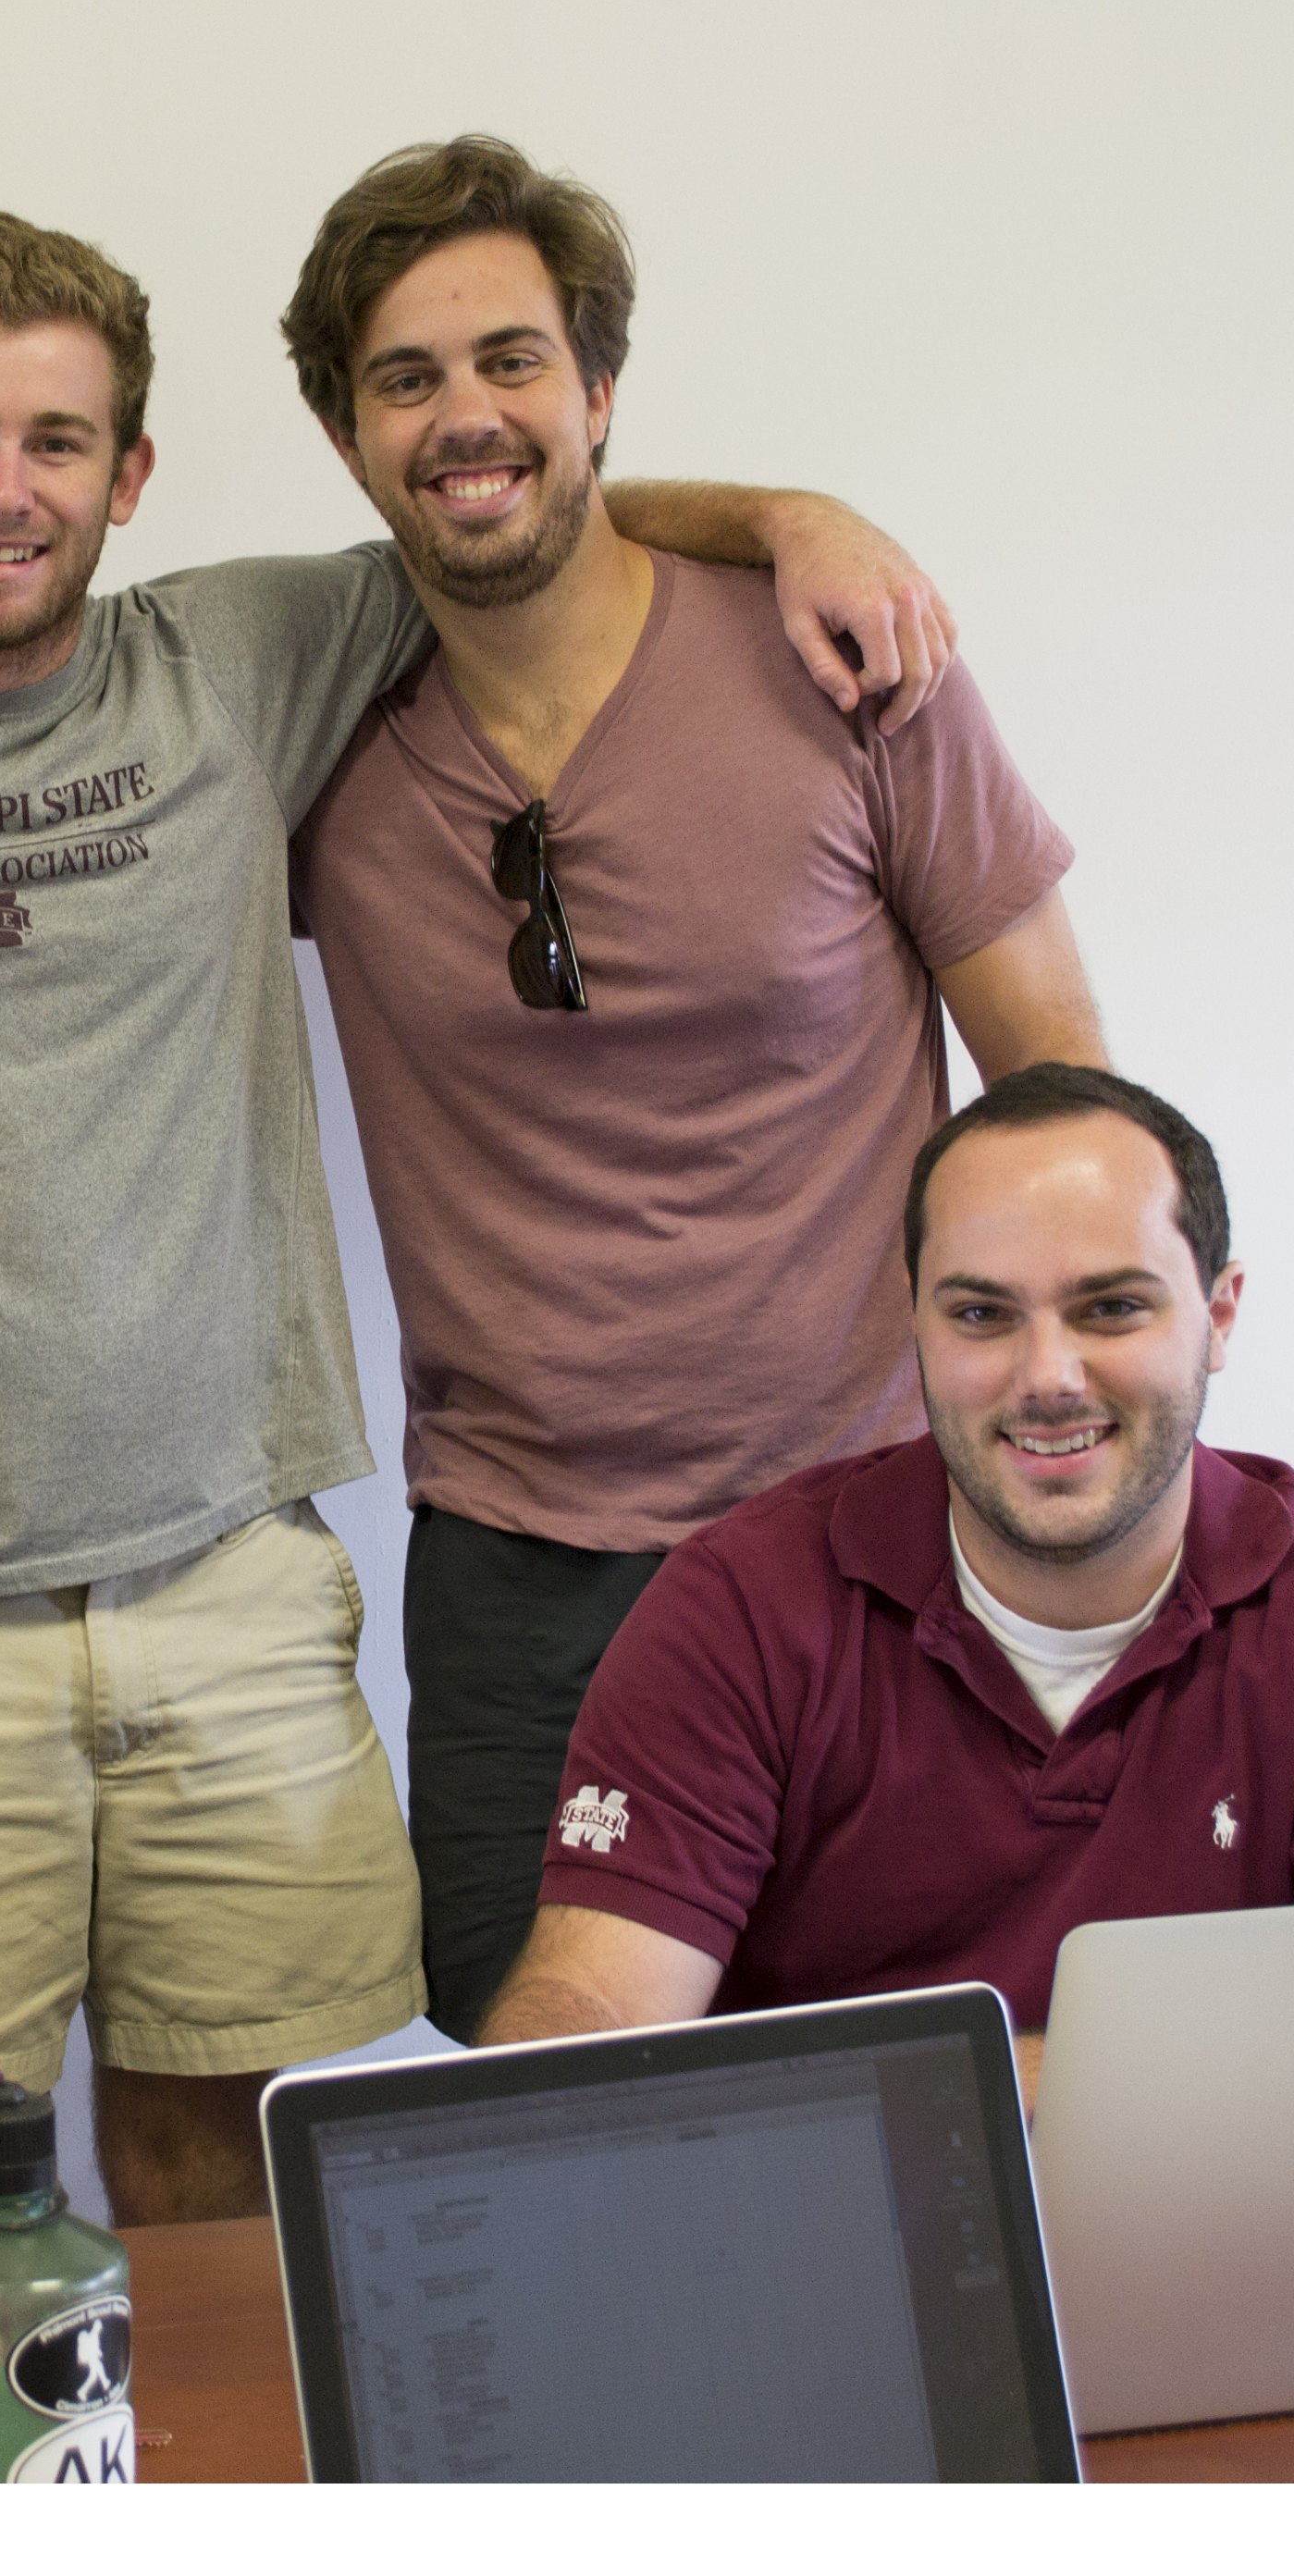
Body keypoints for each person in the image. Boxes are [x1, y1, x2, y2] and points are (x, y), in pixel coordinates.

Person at [0, 217, 946, 2231]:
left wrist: (796, 514)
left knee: (224, 2193)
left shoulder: (242, 659)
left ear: (132, 476)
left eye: (57, 441)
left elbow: (510, 518)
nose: (3, 487)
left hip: (230, 1593)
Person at [277, 135, 1108, 2042]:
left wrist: (1060, 1478)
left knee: (923, 2087)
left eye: (510, 362)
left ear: (598, 389)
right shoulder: (316, 721)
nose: (464, 417)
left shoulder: (843, 662)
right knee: (542, 2116)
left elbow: (1062, 1096)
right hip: (519, 1570)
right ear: (343, 436)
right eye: (403, 379)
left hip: (876, 1531)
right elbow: (36, 699)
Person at [478, 1067, 1294, 2068]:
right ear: (914, 1323)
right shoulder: (739, 1607)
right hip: (850, 2240)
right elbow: (590, 2014)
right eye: (980, 1314)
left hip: (1240, 2239)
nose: (1046, 1379)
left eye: (1110, 1307)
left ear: (1215, 1317)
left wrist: (982, 2089)